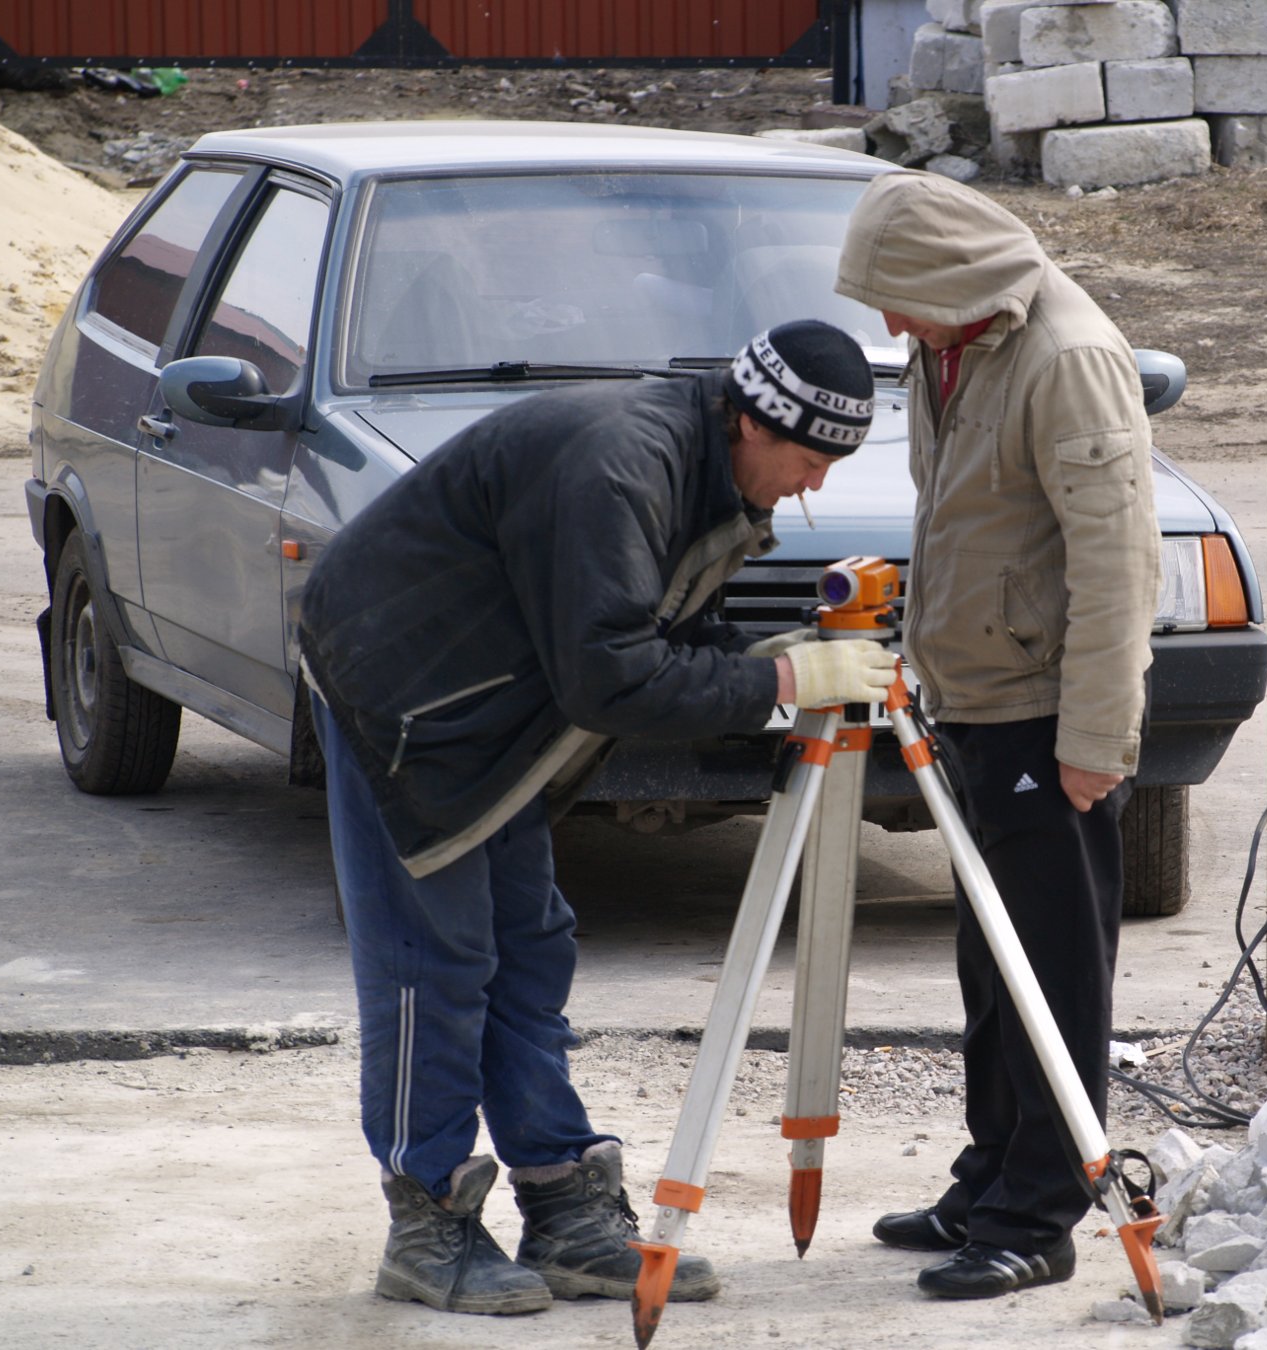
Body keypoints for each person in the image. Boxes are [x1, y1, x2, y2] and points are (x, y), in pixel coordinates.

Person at [298, 320, 898, 1316]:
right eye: (808, 459)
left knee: (529, 948)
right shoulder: (622, 464)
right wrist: (785, 680)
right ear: (751, 422)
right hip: (404, 698)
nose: (815, 486)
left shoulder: (705, 467)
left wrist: (764, 656)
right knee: (433, 964)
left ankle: (563, 1205)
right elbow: (611, 677)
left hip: (499, 706)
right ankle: (427, 1222)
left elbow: (661, 620)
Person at [834, 172, 1161, 1300]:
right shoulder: (955, 342)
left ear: (949, 278)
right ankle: (993, 1175)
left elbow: (1119, 565)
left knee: (1051, 971)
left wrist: (1095, 739)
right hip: (977, 698)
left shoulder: (1065, 357)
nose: (886, 325)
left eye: (897, 297)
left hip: (1042, 713)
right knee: (991, 962)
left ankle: (1039, 1213)